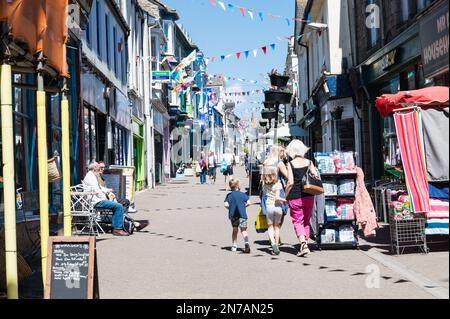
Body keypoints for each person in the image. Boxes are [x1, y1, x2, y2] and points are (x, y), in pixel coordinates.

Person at [285, 140, 319, 257]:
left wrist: (285, 196)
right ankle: (305, 242)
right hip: (309, 194)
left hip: (295, 196)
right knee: (306, 220)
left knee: (297, 220)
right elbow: (315, 174)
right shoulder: (309, 162)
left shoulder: (290, 164)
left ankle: (303, 243)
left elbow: (290, 182)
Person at [83, 163, 128, 236]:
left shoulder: (92, 175)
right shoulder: (91, 177)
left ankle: (120, 225)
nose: (100, 170)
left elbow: (99, 188)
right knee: (118, 206)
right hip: (96, 201)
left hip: (97, 200)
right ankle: (117, 229)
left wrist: (108, 190)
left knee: (120, 204)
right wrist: (105, 198)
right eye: (98, 168)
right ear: (95, 168)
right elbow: (97, 191)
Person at [262, 145, 289, 246]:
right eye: (282, 152)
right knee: (280, 215)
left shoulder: (266, 162)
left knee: (269, 214)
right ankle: (276, 237)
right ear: (278, 152)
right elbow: (287, 176)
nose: (284, 154)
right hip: (278, 189)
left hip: (267, 190)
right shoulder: (279, 163)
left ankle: (272, 237)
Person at [261, 168, 287, 255]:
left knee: (270, 227)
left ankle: (272, 243)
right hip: (278, 207)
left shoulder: (265, 186)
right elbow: (277, 197)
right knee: (277, 227)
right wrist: (284, 200)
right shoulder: (278, 184)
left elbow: (264, 196)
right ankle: (277, 244)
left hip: (269, 206)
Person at [224, 179, 251, 253]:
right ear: (238, 186)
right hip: (242, 215)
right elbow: (249, 202)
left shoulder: (229, 195)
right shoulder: (243, 194)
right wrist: (244, 206)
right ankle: (246, 242)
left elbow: (226, 205)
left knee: (235, 229)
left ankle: (234, 245)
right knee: (244, 230)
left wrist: (230, 208)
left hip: (233, 215)